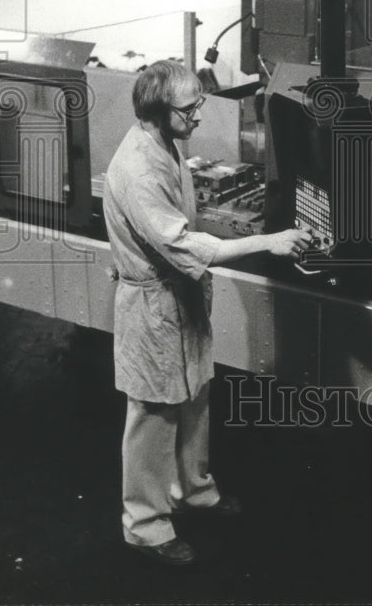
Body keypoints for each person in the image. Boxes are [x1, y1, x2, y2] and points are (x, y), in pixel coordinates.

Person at [103, 60, 310, 567]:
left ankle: (193, 491)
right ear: (157, 111)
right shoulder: (137, 171)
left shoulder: (166, 143)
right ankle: (145, 525)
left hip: (181, 298)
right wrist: (271, 241)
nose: (199, 113)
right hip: (153, 305)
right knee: (153, 412)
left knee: (195, 393)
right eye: (190, 106)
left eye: (200, 101)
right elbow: (180, 245)